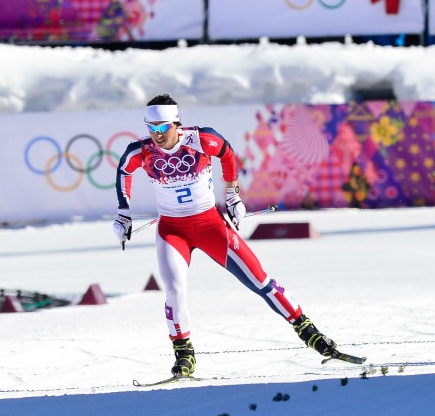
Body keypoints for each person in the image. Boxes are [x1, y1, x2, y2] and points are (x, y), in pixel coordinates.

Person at [113, 95, 352, 378]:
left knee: (260, 280)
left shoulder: (202, 140)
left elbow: (226, 153)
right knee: (175, 290)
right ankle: (184, 356)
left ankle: (311, 334)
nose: (156, 135)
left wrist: (232, 194)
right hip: (172, 231)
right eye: (151, 128)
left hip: (210, 225)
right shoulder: (140, 151)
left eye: (162, 128)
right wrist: (123, 213)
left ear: (177, 124)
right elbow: (124, 171)